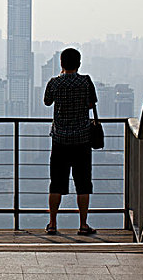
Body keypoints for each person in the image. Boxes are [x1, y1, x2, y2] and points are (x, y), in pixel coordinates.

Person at [44, 48, 97, 236]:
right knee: (83, 183)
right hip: (82, 140)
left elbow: (47, 101)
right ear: (79, 63)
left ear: (61, 63)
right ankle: (83, 225)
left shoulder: (55, 83)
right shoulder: (86, 82)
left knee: (56, 183)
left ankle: (52, 223)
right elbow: (92, 104)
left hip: (60, 140)